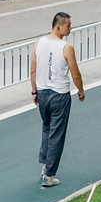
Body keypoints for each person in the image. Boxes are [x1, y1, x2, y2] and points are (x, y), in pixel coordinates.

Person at [30, 12, 85, 187]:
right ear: (58, 26)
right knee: (57, 134)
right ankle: (49, 174)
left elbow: (33, 70)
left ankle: (45, 164)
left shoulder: (38, 43)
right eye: (69, 24)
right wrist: (81, 90)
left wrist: (34, 92)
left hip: (43, 93)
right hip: (59, 95)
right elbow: (75, 73)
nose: (71, 27)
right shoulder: (66, 47)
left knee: (47, 128)